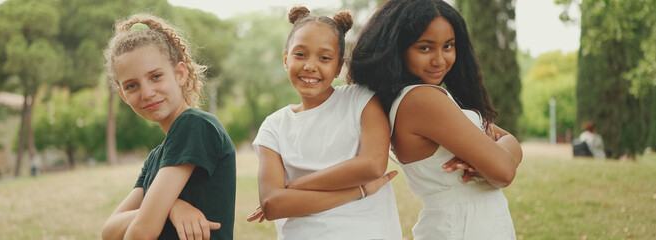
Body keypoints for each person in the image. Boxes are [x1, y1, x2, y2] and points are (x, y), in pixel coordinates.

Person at [350, 0, 523, 239]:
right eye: (425, 48)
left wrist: (502, 149)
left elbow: (508, 144)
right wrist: (499, 153)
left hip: (470, 223)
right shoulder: (422, 100)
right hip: (462, 226)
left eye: (448, 46)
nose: (440, 60)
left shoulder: (426, 98)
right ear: (398, 49)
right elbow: (504, 171)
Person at [248, 6, 402, 240]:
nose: (310, 66)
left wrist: (294, 187)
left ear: (339, 66)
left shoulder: (360, 99)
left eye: (324, 58)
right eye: (300, 54)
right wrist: (359, 190)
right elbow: (272, 205)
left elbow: (372, 165)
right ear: (285, 59)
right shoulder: (274, 126)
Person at [101, 13, 236, 240]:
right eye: (132, 85)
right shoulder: (156, 157)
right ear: (123, 95)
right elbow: (108, 231)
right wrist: (172, 208)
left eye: (155, 76)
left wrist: (156, 211)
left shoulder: (195, 125)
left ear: (180, 74)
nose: (147, 92)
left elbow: (141, 234)